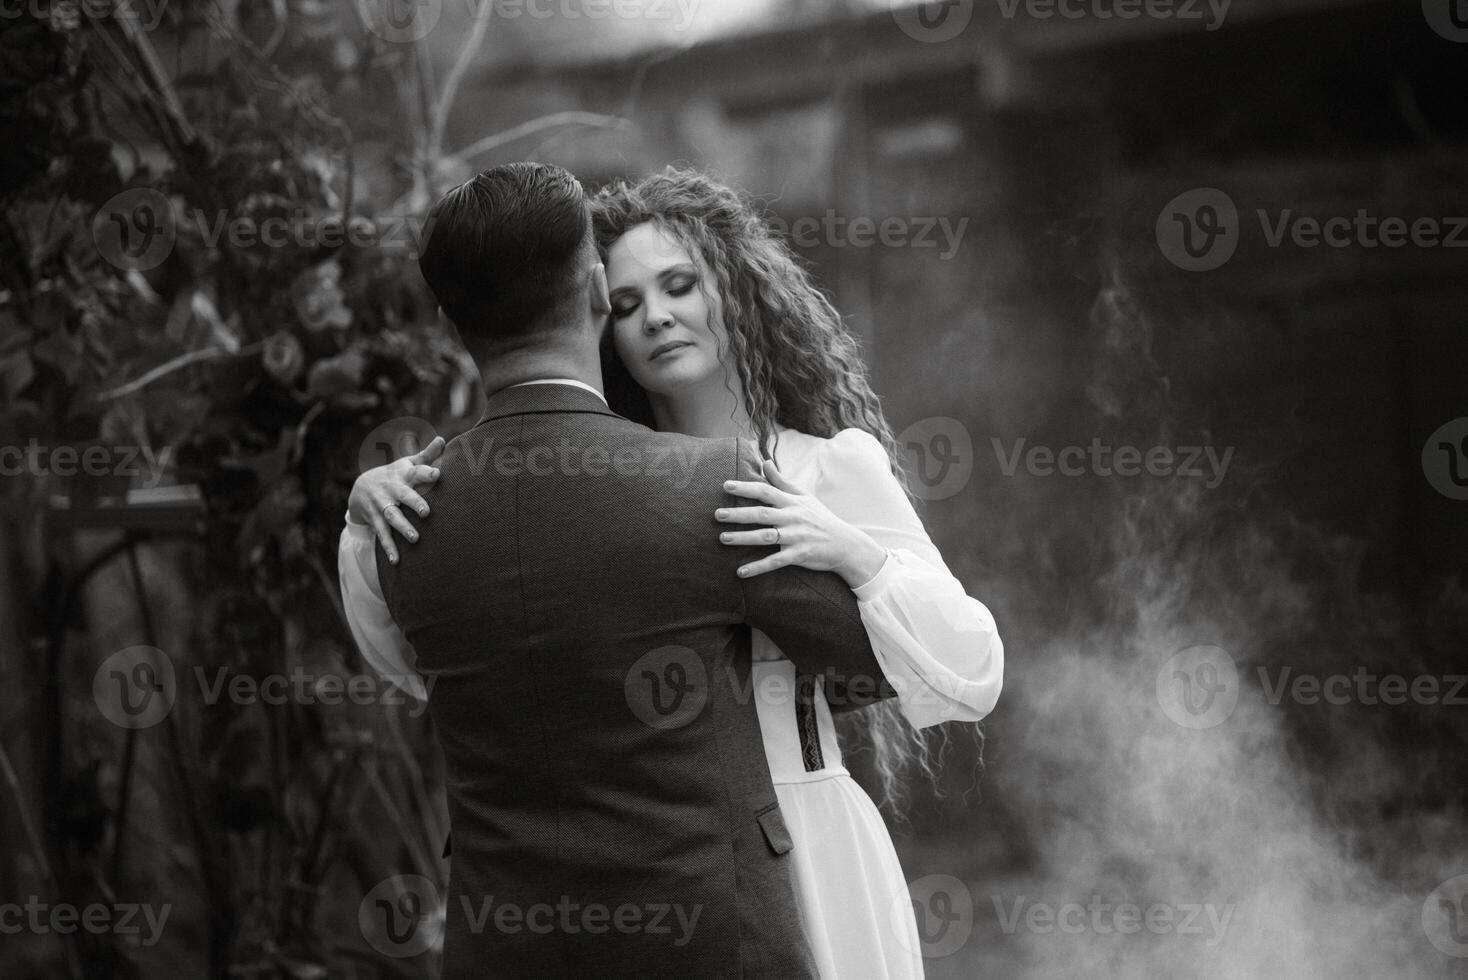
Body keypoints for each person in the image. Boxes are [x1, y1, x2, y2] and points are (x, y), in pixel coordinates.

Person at [342, 167, 1004, 978]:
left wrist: (853, 551)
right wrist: (365, 513)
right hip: (670, 871)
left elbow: (971, 669)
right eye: (627, 303)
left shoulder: (833, 468)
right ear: (595, 311)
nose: (656, 316)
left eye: (681, 285)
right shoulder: (604, 487)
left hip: (813, 841)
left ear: (737, 285)